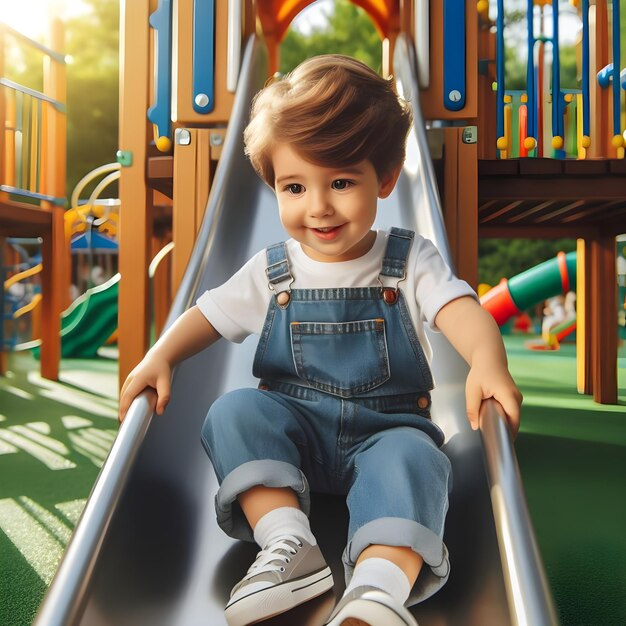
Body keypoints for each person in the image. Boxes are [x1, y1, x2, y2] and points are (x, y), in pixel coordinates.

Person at [119, 55, 522, 626]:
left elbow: (461, 308)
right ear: (273, 187)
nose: (319, 207)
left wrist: (487, 358)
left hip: (387, 432)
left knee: (420, 458)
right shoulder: (274, 268)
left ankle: (378, 590)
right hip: (296, 434)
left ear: (384, 179)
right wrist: (162, 355)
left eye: (340, 182)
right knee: (234, 412)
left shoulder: (408, 261)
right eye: (295, 186)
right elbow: (207, 314)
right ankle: (288, 545)